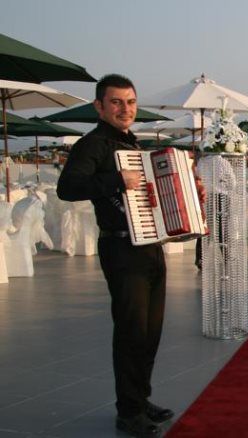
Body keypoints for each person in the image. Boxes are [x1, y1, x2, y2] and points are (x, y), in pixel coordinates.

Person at [57, 74, 205, 438]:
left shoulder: (132, 143)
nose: (126, 109)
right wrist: (116, 180)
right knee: (131, 332)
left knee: (151, 332)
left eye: (131, 102)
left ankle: (141, 398)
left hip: (149, 246)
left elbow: (151, 190)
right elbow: (68, 188)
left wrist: (189, 188)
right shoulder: (91, 145)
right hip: (121, 248)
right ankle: (128, 412)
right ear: (100, 106)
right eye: (117, 102)